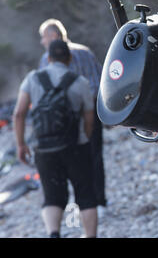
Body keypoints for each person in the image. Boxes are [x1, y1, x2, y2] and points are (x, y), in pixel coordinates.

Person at [13, 39, 98, 238]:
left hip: (44, 148)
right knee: (85, 194)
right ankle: (90, 235)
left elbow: (19, 114)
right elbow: (89, 116)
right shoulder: (80, 82)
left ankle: (53, 233)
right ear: (69, 58)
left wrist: (21, 144)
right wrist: (85, 139)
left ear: (48, 58)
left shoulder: (32, 78)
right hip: (75, 146)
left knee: (52, 196)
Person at [38, 19, 107, 215]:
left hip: (65, 117)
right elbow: (102, 81)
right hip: (92, 110)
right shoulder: (85, 51)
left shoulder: (47, 59)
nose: (42, 42)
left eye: (43, 37)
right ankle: (99, 202)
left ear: (53, 36)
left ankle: (83, 204)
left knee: (73, 161)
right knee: (94, 156)